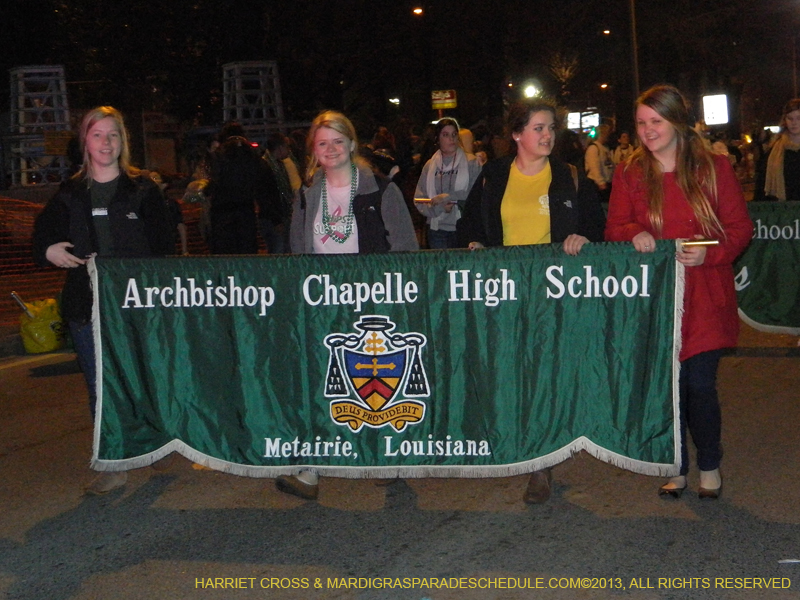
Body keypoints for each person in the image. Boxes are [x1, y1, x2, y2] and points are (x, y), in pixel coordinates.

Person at [605, 84, 753, 500]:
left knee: (699, 384)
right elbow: (614, 227)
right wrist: (634, 233)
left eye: (656, 121)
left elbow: (740, 228)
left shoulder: (714, 167)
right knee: (668, 387)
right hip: (656, 299)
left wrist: (710, 256)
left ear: (677, 122)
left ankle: (710, 461)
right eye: (641, 123)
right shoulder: (630, 172)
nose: (647, 131)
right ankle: (677, 466)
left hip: (705, 294)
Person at [460, 100, 606, 504]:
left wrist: (585, 239)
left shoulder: (569, 177)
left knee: (544, 374)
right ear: (517, 134)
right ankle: (520, 445)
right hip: (505, 292)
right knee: (512, 373)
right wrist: (474, 243)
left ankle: (541, 464)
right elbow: (470, 222)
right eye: (538, 128)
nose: (547, 135)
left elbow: (597, 227)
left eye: (551, 128)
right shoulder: (493, 175)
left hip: (553, 294)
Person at [32, 106, 175, 495]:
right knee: (100, 386)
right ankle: (112, 462)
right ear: (85, 143)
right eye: (98, 135)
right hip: (87, 305)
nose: (106, 142)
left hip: (137, 305)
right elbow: (42, 235)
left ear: (123, 142)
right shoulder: (70, 192)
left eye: (113, 135)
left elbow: (163, 248)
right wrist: (49, 251)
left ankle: (156, 440)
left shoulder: (143, 189)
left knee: (144, 378)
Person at [282, 111, 418, 500]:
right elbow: (298, 252)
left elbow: (406, 247)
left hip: (373, 303)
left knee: (376, 386)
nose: (331, 149)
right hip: (323, 304)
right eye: (322, 143)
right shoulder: (307, 196)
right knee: (321, 384)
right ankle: (311, 469)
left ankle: (387, 456)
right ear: (314, 150)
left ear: (352, 144)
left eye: (337, 141)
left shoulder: (380, 190)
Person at [206, 121, 282, 254]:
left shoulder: (219, 154)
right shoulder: (253, 154)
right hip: (246, 213)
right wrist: (275, 218)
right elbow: (267, 188)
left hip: (221, 214)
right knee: (246, 254)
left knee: (224, 256)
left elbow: (213, 183)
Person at [413, 118, 481, 249]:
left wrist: (449, 197)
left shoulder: (471, 162)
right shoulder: (430, 165)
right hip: (437, 230)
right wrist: (439, 207)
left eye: (454, 134)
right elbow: (419, 199)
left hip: (463, 228)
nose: (451, 138)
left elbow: (476, 195)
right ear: (437, 139)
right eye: (445, 135)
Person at [754, 98, 800, 201]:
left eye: (798, 118)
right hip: (783, 211)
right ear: (785, 120)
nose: (794, 123)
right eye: (790, 118)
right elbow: (762, 185)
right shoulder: (774, 152)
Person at [584, 123, 615, 201]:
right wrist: (600, 182)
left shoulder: (605, 148)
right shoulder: (593, 148)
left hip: (606, 183)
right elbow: (594, 167)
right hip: (597, 185)